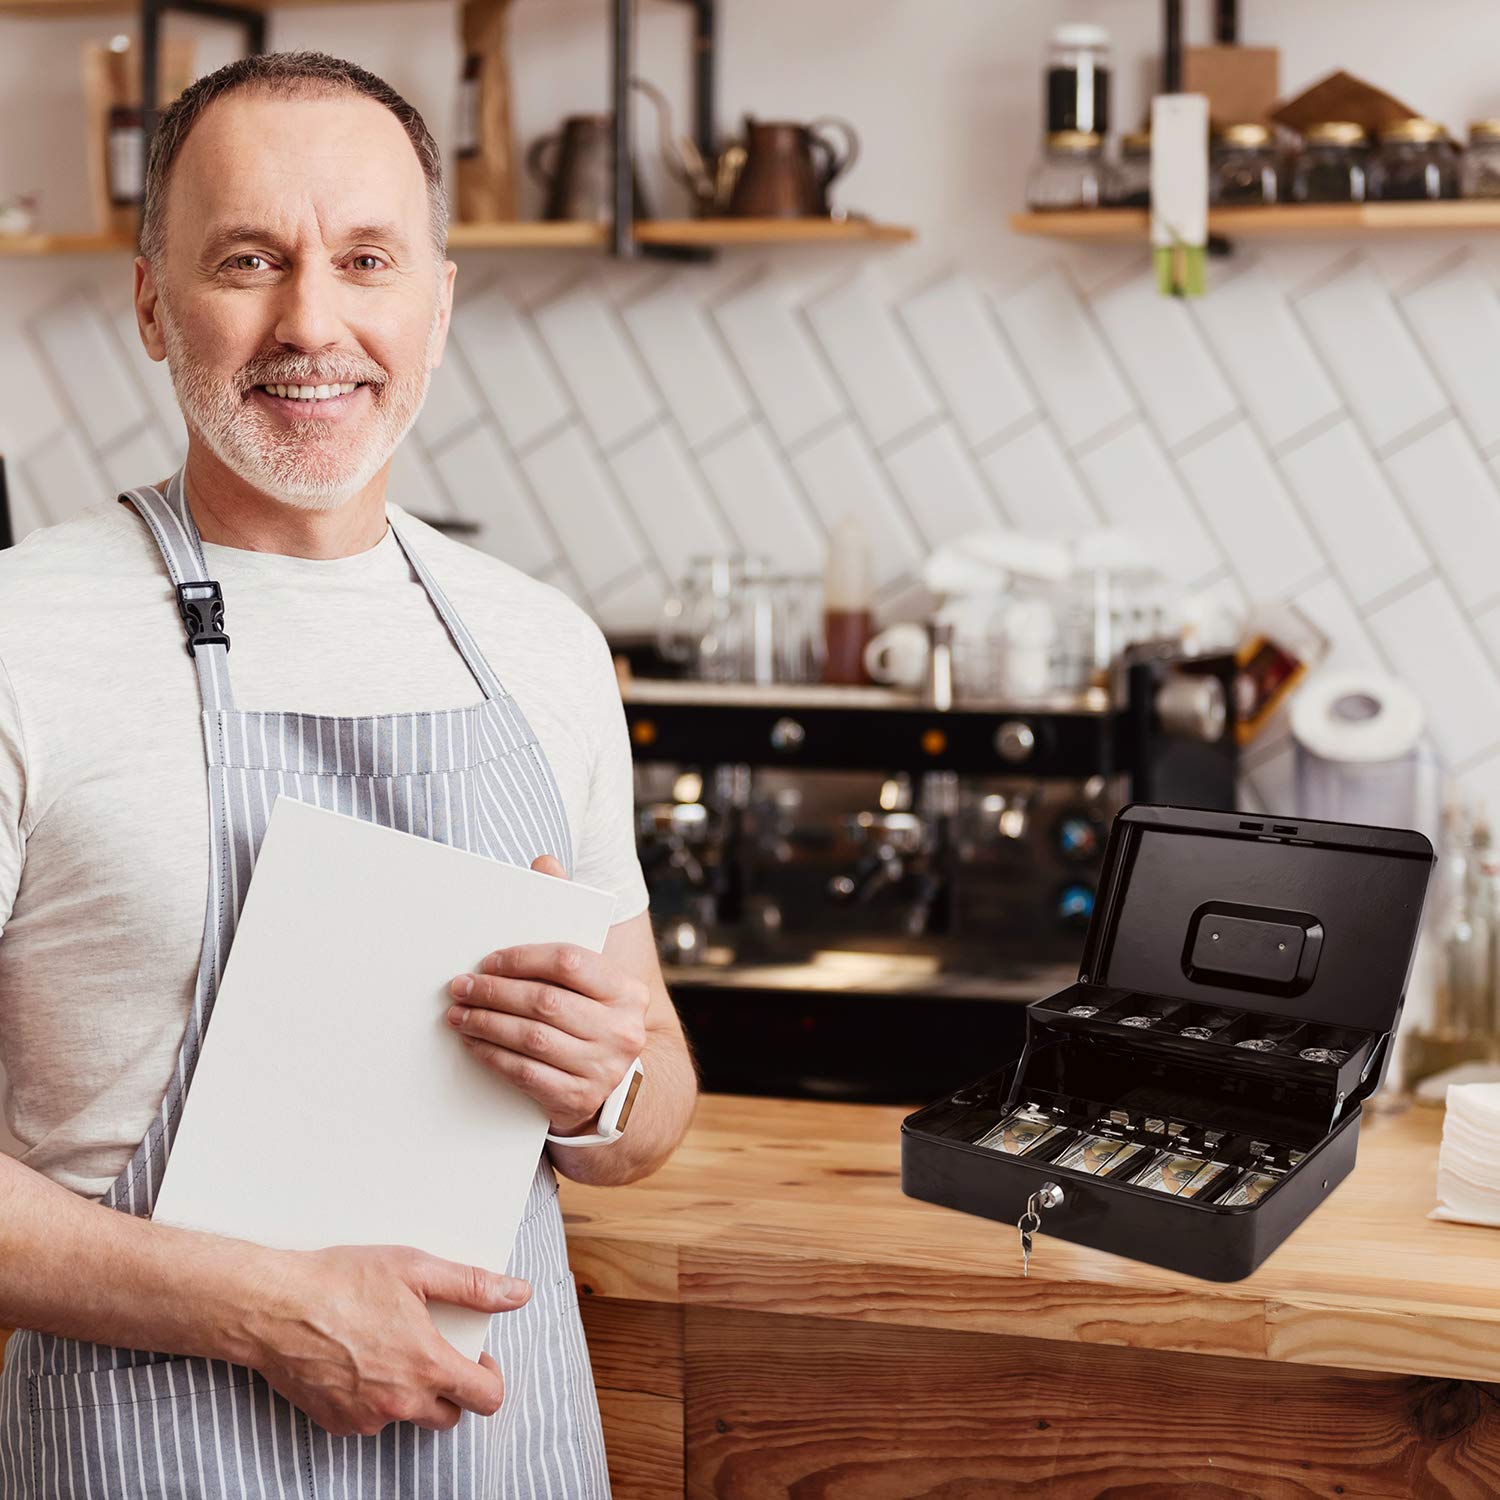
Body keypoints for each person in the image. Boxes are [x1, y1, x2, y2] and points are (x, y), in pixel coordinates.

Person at [0, 49, 697, 1498]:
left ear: (435, 305)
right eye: (247, 261)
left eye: (366, 259)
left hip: (505, 1443)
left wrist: (605, 1092)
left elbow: (657, 1097)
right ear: (149, 302)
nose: (312, 323)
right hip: (147, 1455)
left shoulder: (541, 647)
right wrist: (265, 1309)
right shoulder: (22, 637)